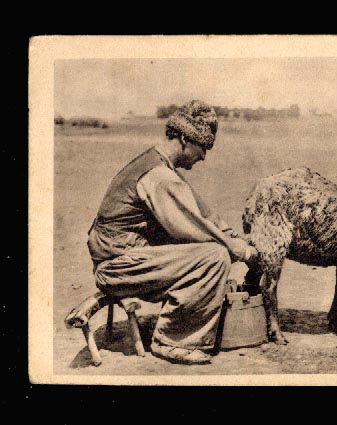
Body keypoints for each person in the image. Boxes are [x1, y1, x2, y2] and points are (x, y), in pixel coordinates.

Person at [87, 100, 257, 364]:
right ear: (183, 139)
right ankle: (173, 341)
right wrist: (240, 249)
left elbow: (202, 213)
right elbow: (194, 229)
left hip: (128, 260)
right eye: (203, 147)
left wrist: (233, 235)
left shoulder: (159, 164)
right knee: (214, 256)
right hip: (116, 268)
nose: (203, 157)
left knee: (214, 250)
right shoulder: (159, 176)